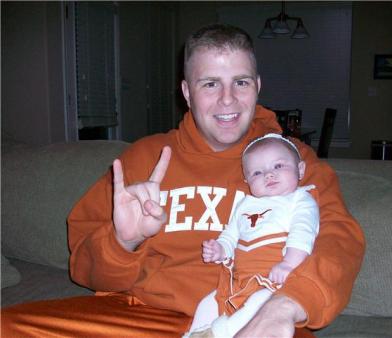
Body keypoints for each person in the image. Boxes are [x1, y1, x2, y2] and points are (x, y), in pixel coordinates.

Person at [1, 23, 365, 338]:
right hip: (143, 315)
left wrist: (286, 307)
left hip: (253, 316)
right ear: (187, 92)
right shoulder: (143, 159)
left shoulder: (291, 162)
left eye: (240, 82)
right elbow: (83, 265)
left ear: (257, 86)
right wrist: (123, 242)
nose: (228, 100)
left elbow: (339, 239)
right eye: (210, 84)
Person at [184, 133, 320, 337]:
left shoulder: (300, 199)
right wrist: (220, 249)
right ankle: (193, 333)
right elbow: (231, 234)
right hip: (240, 279)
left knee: (259, 306)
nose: (269, 175)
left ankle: (218, 333)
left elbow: (303, 232)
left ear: (300, 170)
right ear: (247, 179)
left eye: (278, 166)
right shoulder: (245, 204)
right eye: (257, 172)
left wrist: (289, 263)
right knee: (209, 303)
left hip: (276, 279)